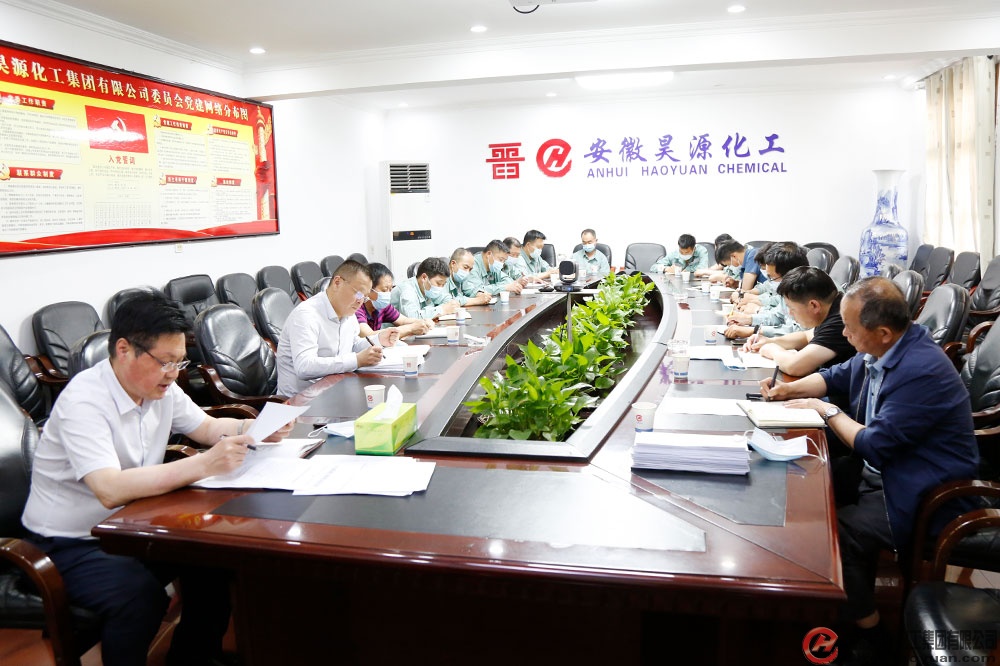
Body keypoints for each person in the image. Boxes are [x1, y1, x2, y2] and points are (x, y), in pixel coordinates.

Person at [21, 290, 294, 666]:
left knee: (213, 562)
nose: (173, 373)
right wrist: (203, 465)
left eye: (180, 362)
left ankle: (192, 658)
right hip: (69, 541)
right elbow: (109, 488)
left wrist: (256, 427)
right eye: (166, 362)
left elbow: (206, 427)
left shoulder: (159, 386)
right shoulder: (83, 401)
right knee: (139, 597)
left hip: (130, 524)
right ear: (123, 350)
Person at [760, 277, 978, 663]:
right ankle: (816, 603)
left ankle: (872, 635)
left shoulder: (920, 370)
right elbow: (836, 376)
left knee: (834, 536)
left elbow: (875, 443)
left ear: (883, 331)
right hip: (884, 470)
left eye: (849, 327)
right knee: (801, 482)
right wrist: (788, 390)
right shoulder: (883, 349)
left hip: (919, 490)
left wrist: (827, 410)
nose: (844, 334)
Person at [276, 260, 399, 397]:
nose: (360, 301)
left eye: (364, 297)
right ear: (337, 282)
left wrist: (378, 340)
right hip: (302, 399)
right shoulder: (306, 315)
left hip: (336, 390)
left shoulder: (348, 312)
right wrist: (356, 360)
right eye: (358, 293)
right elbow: (304, 366)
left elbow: (353, 345)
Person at [744, 266, 856, 377]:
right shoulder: (833, 305)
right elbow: (806, 336)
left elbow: (794, 367)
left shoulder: (840, 320)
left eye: (792, 308)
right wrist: (770, 341)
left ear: (814, 305)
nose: (790, 313)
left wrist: (772, 350)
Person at [725, 242, 808, 338]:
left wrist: (755, 331)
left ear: (789, 274)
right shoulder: (788, 290)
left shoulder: (808, 292)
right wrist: (748, 319)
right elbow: (778, 316)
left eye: (771, 277)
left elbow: (799, 331)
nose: (769, 282)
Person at [356, 262, 433, 339]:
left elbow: (403, 320)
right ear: (368, 289)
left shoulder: (383, 306)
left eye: (390, 289)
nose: (388, 294)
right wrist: (410, 328)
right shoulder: (356, 306)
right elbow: (368, 335)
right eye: (384, 290)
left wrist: (423, 322)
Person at [391, 256, 460, 319]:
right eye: (439, 283)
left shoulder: (427, 288)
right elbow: (411, 317)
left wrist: (451, 305)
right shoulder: (407, 290)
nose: (440, 288)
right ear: (424, 277)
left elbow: (447, 299)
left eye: (443, 284)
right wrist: (442, 310)